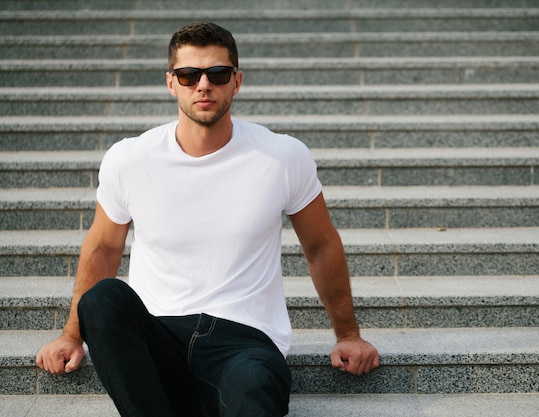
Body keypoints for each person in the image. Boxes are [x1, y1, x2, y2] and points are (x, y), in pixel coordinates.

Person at [35, 21, 379, 417]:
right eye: (188, 75)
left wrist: (348, 335)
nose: (203, 85)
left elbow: (320, 244)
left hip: (245, 342)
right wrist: (70, 336)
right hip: (158, 336)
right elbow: (103, 247)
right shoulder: (130, 159)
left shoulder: (282, 156)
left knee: (254, 386)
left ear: (236, 81)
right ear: (171, 82)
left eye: (217, 74)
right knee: (103, 300)